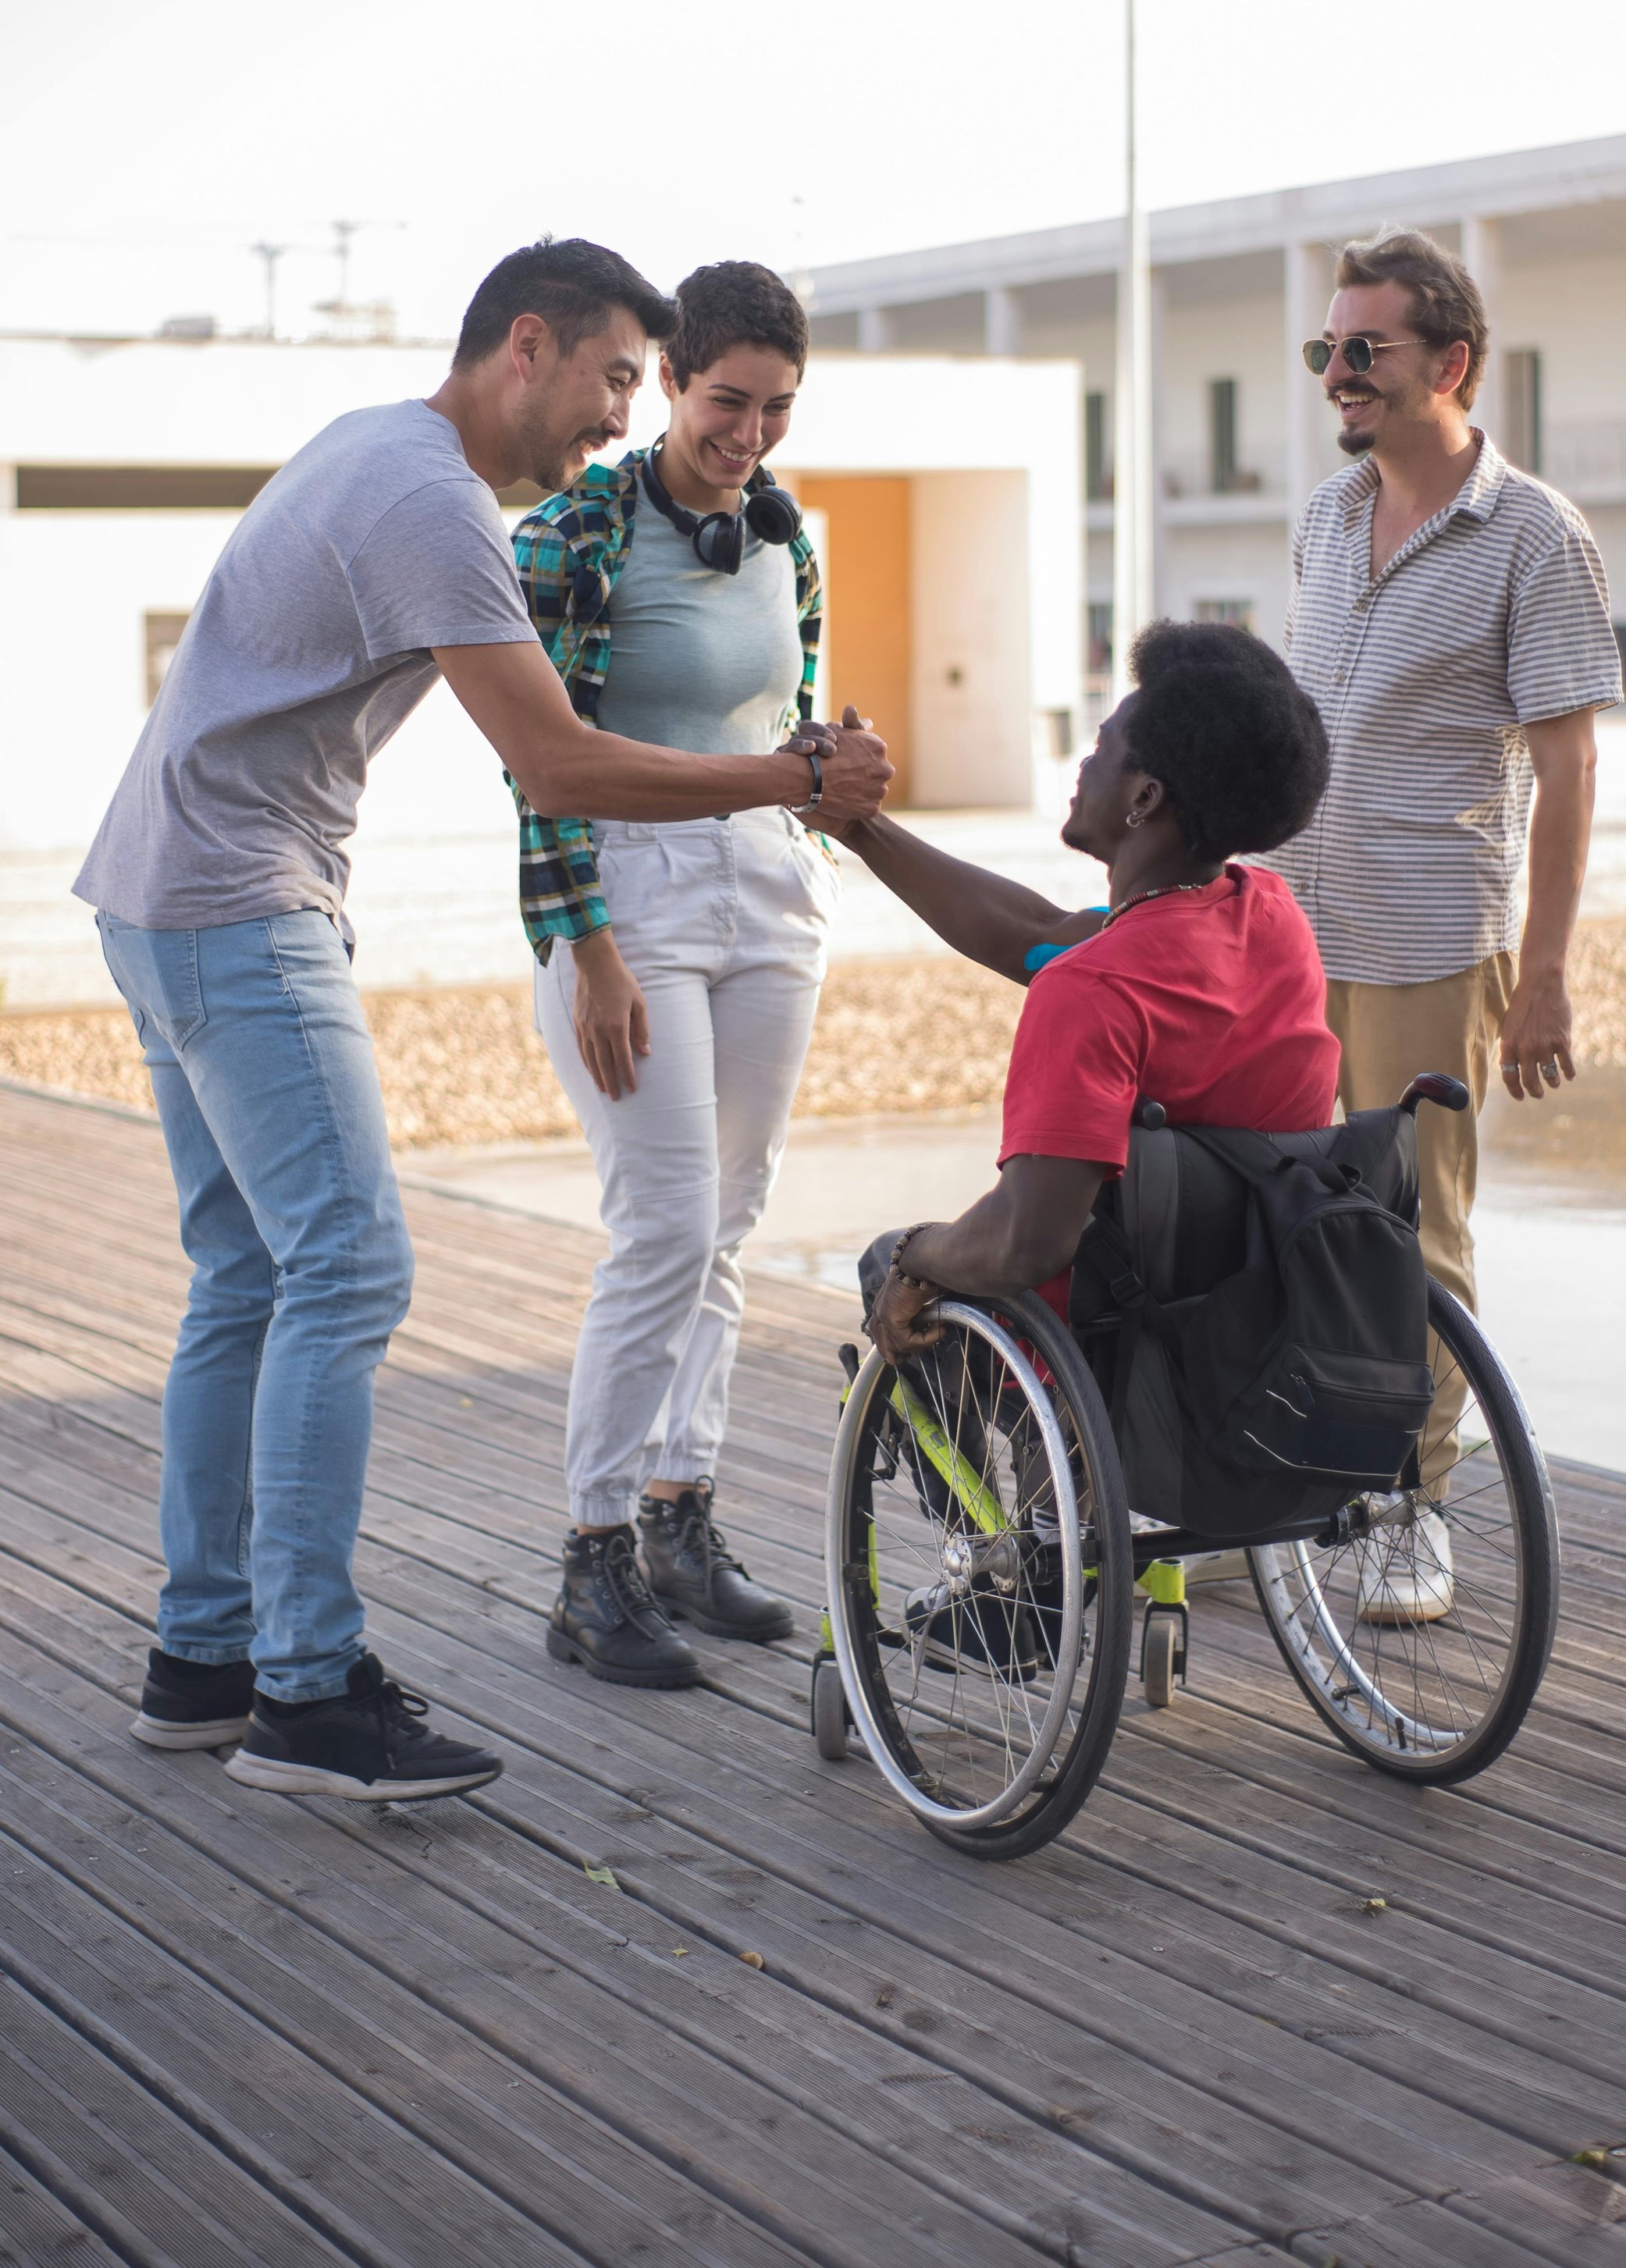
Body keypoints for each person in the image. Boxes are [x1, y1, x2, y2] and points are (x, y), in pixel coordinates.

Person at [76, 236, 891, 1801]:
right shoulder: (438, 500)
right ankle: (305, 1692)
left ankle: (202, 1658)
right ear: (527, 344)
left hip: (163, 883)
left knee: (246, 1271)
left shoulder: (375, 448)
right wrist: (792, 780)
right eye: (609, 382)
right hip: (235, 896)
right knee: (349, 1265)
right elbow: (561, 761)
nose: (613, 418)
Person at [1264, 226, 1623, 1619]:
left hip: (1431, 933)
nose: (1340, 374)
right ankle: (1310, 1482)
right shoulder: (1322, 517)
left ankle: (1412, 1511)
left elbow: (1570, 765)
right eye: (1328, 350)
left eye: (1368, 350)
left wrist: (1546, 976)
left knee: (1419, 1230)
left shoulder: (1535, 534)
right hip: (1299, 929)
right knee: (1294, 1207)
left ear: (1451, 362)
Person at [514, 261, 843, 1687]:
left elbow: (794, 720)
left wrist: (836, 788)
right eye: (727, 401)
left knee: (732, 1219)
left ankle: (678, 1521)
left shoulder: (792, 538)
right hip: (629, 897)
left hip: (767, 886)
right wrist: (582, 946)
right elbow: (540, 764)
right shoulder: (572, 530)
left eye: (776, 409)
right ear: (668, 381)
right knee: (661, 1225)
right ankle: (589, 1564)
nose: (750, 434)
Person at [806, 620, 1338, 1362]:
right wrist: (862, 831)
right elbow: (1034, 929)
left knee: (888, 1262)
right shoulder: (1269, 912)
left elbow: (1029, 1243)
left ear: (1144, 797)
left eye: (1100, 748)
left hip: (1118, 1341)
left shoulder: (1089, 986)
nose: (1082, 766)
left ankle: (1021, 1477)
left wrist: (915, 1256)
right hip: (1255, 1317)